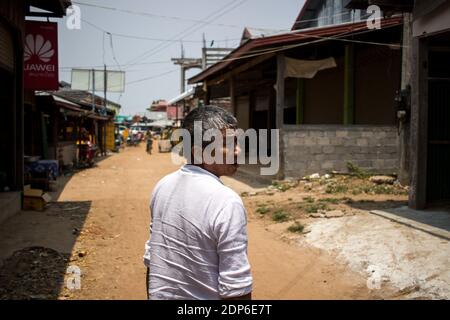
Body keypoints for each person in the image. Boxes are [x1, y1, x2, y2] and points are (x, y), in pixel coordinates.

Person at [143, 106, 253, 300]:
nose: (238, 150)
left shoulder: (162, 186)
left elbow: (153, 262)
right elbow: (236, 288)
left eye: (237, 142)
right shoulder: (226, 201)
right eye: (229, 143)